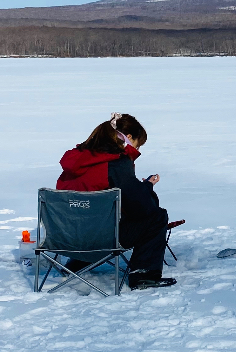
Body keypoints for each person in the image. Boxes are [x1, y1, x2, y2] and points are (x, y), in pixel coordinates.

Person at [56, 112, 175, 291]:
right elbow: (141, 208)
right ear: (128, 138)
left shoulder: (76, 162)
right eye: (137, 144)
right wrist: (147, 188)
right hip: (101, 239)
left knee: (89, 216)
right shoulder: (116, 163)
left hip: (69, 238)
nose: (137, 150)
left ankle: (77, 263)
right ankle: (143, 275)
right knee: (157, 216)